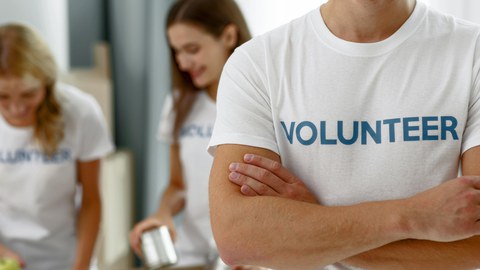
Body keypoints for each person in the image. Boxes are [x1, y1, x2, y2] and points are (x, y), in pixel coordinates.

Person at [208, 0, 480, 269]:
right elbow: (238, 238)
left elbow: (476, 246)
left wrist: (315, 229)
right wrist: (413, 216)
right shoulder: (257, 63)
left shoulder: (472, 51)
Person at [128, 0, 252, 268]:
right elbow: (178, 186)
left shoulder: (261, 105)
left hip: (245, 253)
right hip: (192, 251)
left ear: (229, 36)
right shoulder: (178, 105)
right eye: (176, 52)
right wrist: (162, 214)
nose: (183, 63)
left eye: (192, 49)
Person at [0, 23, 114, 270]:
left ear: (46, 80)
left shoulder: (80, 113)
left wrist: (81, 266)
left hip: (67, 257)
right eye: (3, 97)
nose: (16, 108)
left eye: (28, 94)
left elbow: (91, 201)